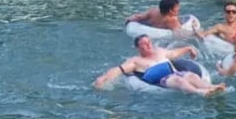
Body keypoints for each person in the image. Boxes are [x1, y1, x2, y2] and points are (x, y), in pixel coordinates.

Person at [93, 34, 226, 96]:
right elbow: (118, 70)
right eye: (144, 44)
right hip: (163, 80)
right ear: (138, 48)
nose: (149, 45)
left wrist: (187, 49)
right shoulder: (135, 61)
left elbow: (174, 53)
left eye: (149, 42)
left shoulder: (160, 51)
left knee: (191, 76)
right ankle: (200, 92)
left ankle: (212, 86)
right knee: (179, 80)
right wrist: (103, 78)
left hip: (177, 73)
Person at [124, 0, 190, 33]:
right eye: (177, 7)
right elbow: (181, 34)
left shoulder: (154, 11)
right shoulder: (172, 20)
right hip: (163, 37)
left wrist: (128, 20)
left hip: (151, 29)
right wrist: (195, 32)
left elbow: (139, 17)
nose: (179, 8)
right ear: (170, 10)